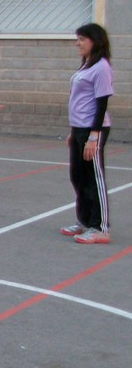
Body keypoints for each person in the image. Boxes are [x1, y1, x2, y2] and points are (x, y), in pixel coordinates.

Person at [61, 23, 114, 245]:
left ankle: (100, 227)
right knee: (78, 176)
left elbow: (102, 103)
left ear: (95, 40)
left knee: (94, 178)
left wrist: (93, 136)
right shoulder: (87, 66)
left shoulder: (101, 67)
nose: (78, 43)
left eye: (82, 38)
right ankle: (84, 221)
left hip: (94, 128)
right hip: (79, 128)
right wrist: (74, 132)